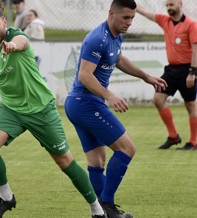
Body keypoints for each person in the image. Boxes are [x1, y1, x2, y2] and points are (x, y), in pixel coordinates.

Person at [0, 1, 106, 218]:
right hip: (11, 110)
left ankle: (97, 210)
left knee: (65, 162)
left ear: (4, 22)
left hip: (41, 109)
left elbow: (22, 41)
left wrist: (13, 46)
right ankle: (6, 198)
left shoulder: (16, 36)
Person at [63, 0, 167, 217]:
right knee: (127, 148)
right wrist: (109, 95)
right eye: (125, 18)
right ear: (112, 13)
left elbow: (118, 58)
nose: (129, 22)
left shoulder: (116, 34)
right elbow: (84, 75)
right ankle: (107, 205)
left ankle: (100, 212)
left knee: (97, 160)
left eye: (132, 18)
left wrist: (146, 77)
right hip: (85, 103)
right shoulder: (97, 38)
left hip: (79, 104)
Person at [136, 0, 197, 150]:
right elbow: (146, 12)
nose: (169, 8)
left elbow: (196, 49)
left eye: (172, 5)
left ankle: (194, 142)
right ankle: (173, 136)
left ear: (180, 4)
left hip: (187, 70)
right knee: (158, 98)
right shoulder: (165, 21)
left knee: (190, 105)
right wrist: (132, 4)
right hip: (171, 70)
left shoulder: (191, 24)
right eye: (167, 5)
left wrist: (193, 72)